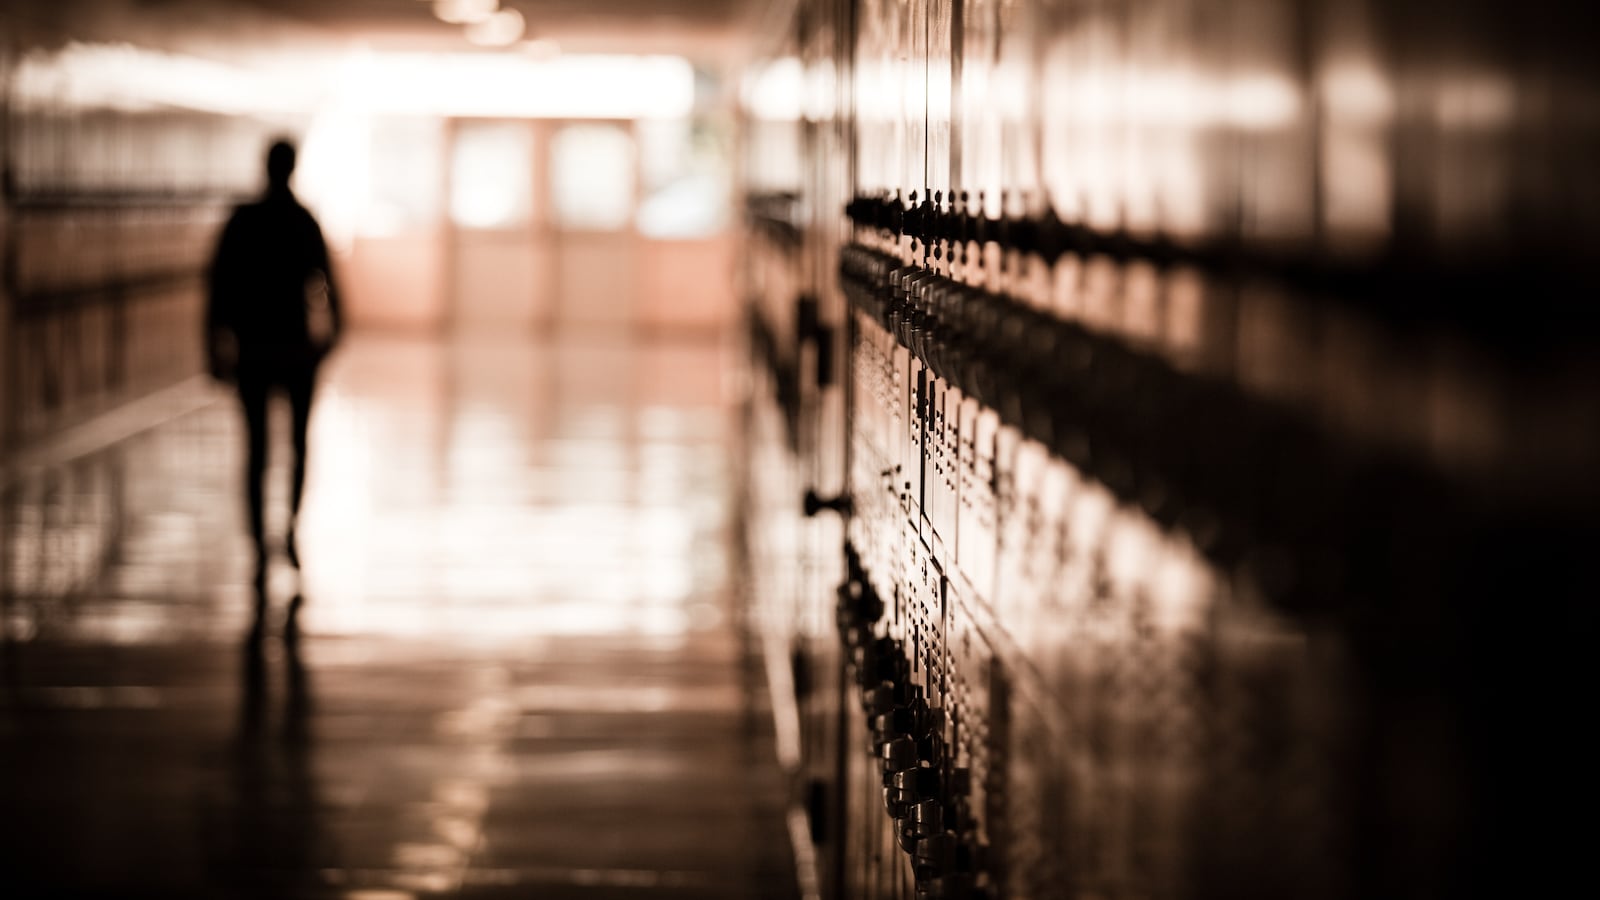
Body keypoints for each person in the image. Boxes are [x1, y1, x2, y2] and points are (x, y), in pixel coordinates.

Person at [207, 139, 342, 582]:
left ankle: (258, 546)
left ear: (265, 167)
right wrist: (328, 341)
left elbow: (218, 289)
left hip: (254, 350)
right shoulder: (304, 221)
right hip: (296, 350)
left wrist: (214, 345)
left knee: (258, 449)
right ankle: (289, 530)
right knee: (299, 445)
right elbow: (331, 290)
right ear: (293, 168)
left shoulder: (243, 221)